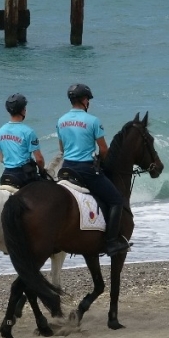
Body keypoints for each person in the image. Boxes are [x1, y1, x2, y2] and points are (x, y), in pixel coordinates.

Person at [56, 83, 130, 256]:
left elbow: (62, 148)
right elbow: (103, 150)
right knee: (116, 200)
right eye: (88, 99)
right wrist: (104, 162)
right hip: (85, 170)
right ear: (84, 100)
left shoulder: (61, 121)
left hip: (66, 168)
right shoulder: (93, 121)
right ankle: (111, 243)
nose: (88, 102)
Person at [0, 93, 47, 188]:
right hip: (23, 176)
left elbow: (1, 159)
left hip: (6, 174)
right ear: (23, 111)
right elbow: (39, 159)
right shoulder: (28, 132)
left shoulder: (0, 131)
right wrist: (42, 172)